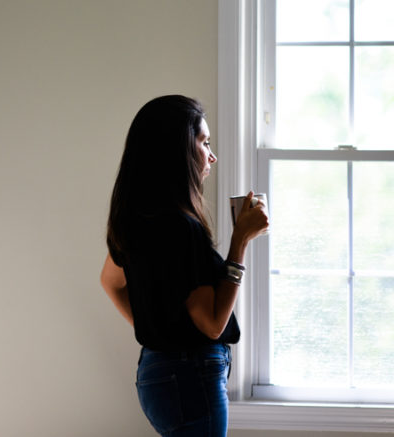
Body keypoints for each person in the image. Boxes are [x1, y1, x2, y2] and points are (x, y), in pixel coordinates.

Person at [100, 95, 268, 436]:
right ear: (178, 149)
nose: (212, 155)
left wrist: (157, 331)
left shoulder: (133, 219)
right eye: (205, 142)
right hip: (190, 377)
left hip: (155, 374)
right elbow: (211, 325)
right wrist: (241, 241)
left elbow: (110, 282)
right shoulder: (182, 227)